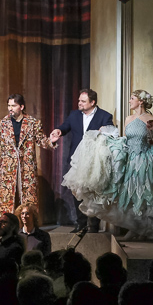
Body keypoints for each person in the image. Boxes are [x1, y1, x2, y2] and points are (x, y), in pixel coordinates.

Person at [62, 90, 153, 240]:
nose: (129, 101)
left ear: (141, 101)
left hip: (145, 159)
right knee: (130, 195)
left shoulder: (151, 118)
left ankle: (148, 229)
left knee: (145, 193)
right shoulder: (128, 118)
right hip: (130, 159)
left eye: (132, 98)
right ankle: (136, 228)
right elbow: (125, 139)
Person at [49, 88, 114, 233]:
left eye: (83, 101)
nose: (79, 103)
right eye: (79, 100)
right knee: (77, 191)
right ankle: (81, 223)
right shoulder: (74, 115)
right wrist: (59, 131)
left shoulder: (104, 116)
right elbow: (65, 126)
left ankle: (94, 225)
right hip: (77, 159)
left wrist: (105, 131)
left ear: (93, 102)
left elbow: (111, 134)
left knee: (94, 192)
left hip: (95, 160)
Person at [0, 93, 55, 219]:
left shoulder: (33, 123)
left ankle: (29, 224)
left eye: (13, 106)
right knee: (7, 197)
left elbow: (42, 141)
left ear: (21, 107)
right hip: (8, 168)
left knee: (28, 197)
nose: (10, 108)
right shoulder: (2, 124)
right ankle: (6, 223)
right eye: (9, 106)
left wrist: (51, 141)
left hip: (27, 166)